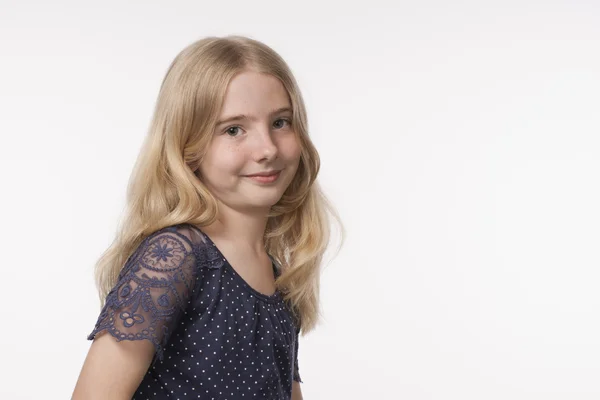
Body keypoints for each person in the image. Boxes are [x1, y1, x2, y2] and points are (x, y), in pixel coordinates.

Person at [72, 35, 344, 400]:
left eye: (281, 122)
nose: (266, 148)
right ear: (188, 148)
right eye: (234, 129)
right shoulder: (174, 257)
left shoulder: (280, 274)